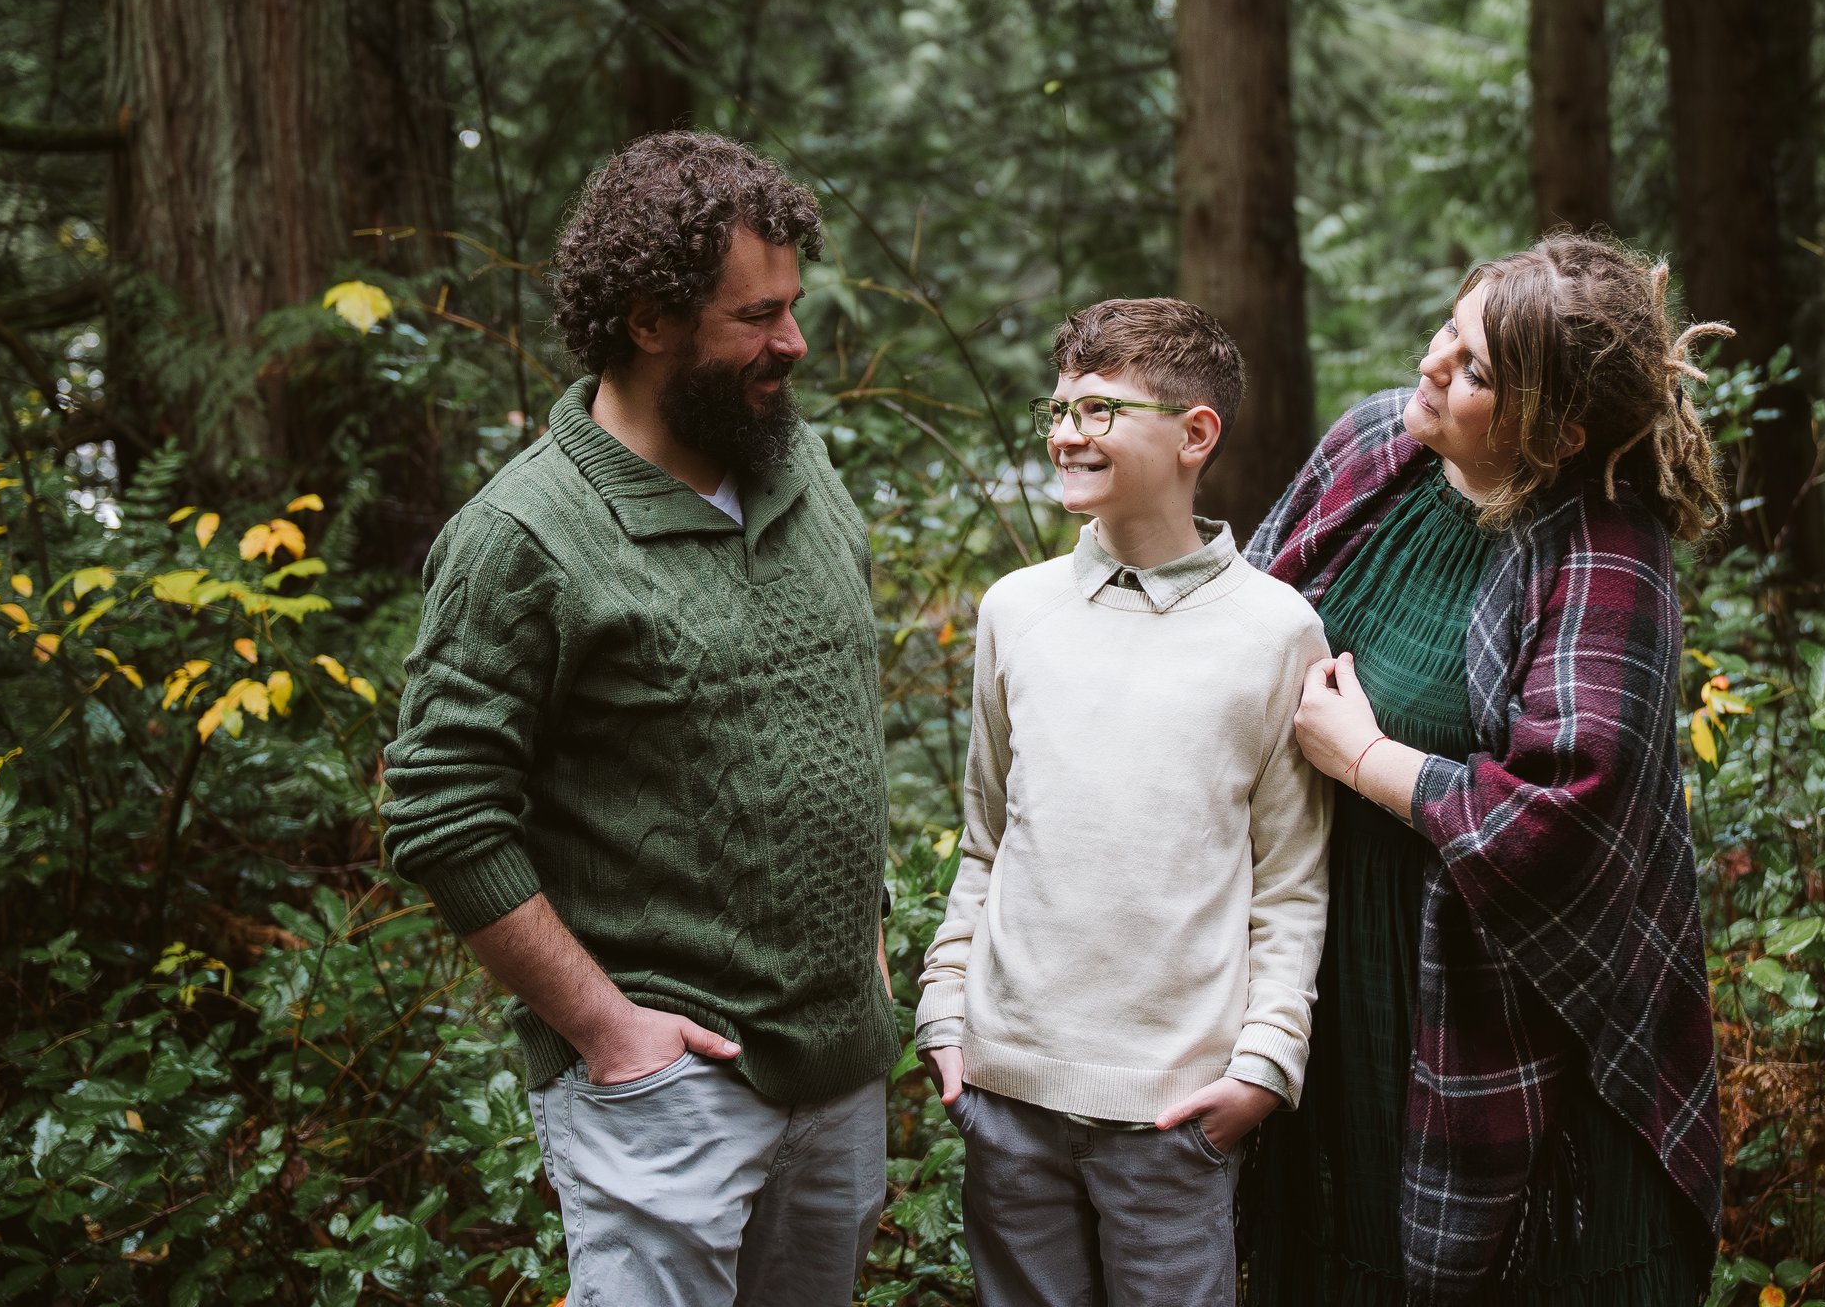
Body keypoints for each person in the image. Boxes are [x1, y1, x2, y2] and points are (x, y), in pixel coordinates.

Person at [381, 132, 896, 1307]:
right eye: (757, 316)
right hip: (670, 1096)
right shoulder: (523, 538)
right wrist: (608, 1030)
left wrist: (864, 951)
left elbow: (829, 731)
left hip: (839, 1074)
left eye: (794, 305)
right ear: (652, 319)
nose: (794, 343)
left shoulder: (801, 467)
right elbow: (440, 813)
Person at [1240, 233, 1726, 1306]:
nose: (1429, 366)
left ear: (1556, 429)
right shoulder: (1373, 446)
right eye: (1446, 334)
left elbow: (1568, 808)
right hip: (1326, 960)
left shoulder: (1602, 546)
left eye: (1473, 372)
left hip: (1493, 1007)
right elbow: (1242, 617)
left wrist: (1365, 759)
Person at [914, 297, 1332, 1307]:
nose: (1065, 431)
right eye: (1058, 408)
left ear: (1195, 434)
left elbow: (1290, 881)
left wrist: (1264, 1064)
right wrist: (943, 1007)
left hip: (1173, 1109)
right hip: (1005, 1092)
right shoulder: (1017, 610)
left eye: (1098, 410)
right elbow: (988, 839)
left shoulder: (1276, 632)